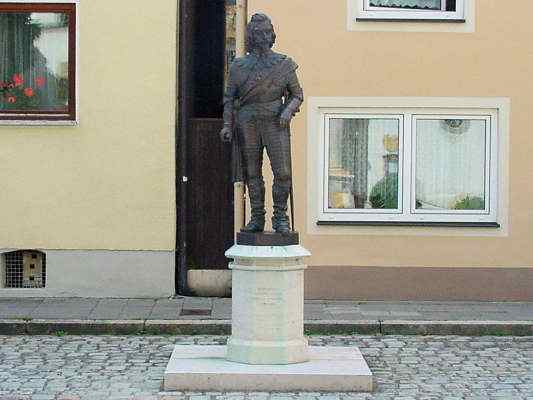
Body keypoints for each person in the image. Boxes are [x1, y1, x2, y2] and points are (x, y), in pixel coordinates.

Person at [219, 13, 304, 234]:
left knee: (283, 172)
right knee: (252, 173)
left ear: (272, 34)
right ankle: (257, 217)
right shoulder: (238, 66)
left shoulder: (284, 64)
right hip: (248, 123)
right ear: (250, 36)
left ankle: (280, 217)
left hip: (276, 122)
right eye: (257, 33)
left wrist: (287, 111)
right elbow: (229, 99)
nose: (262, 37)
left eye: (266, 32)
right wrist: (227, 125)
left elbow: (297, 95)